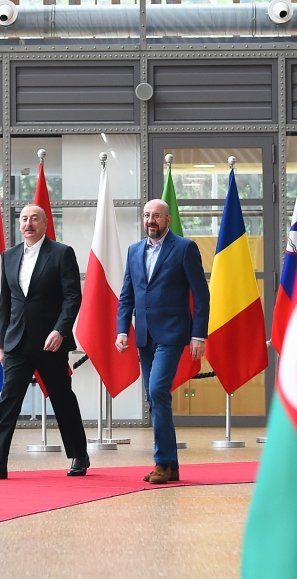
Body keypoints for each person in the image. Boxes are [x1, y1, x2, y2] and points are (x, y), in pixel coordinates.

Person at [0, 205, 89, 479]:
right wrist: (1, 343)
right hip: (16, 343)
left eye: (34, 219)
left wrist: (60, 331)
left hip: (51, 343)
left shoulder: (61, 253)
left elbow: (73, 297)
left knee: (62, 399)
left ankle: (79, 455)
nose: (28, 224)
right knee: (8, 402)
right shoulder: (9, 256)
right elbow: (6, 302)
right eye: (24, 219)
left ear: (45, 224)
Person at [116, 199, 209, 484]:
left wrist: (198, 334)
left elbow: (201, 295)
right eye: (147, 215)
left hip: (172, 333)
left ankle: (161, 461)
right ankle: (171, 465)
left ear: (168, 220)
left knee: (157, 390)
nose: (150, 220)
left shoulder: (184, 248)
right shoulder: (134, 250)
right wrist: (122, 330)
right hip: (144, 335)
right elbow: (127, 295)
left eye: (156, 215)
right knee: (155, 397)